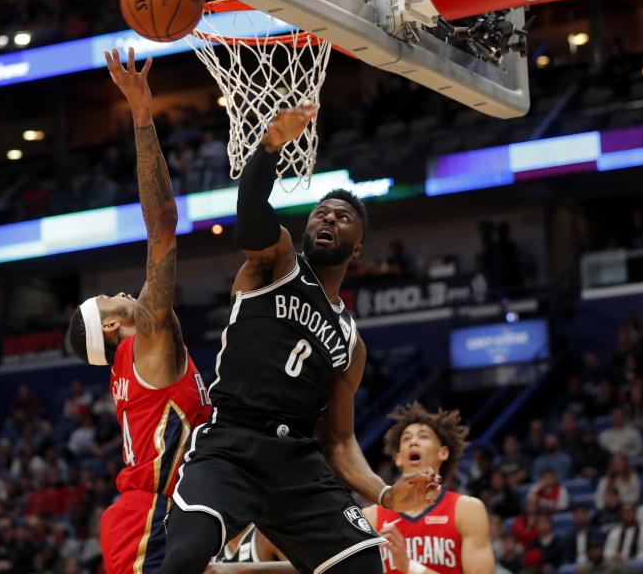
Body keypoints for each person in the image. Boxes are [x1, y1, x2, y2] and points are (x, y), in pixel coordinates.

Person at [158, 107, 439, 574]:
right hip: (231, 444)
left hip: (297, 464)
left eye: (343, 217)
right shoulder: (276, 263)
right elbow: (250, 210)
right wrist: (269, 147)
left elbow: (340, 441)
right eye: (321, 213)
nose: (329, 218)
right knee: (185, 558)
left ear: (358, 245)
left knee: (366, 566)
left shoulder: (352, 343)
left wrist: (386, 494)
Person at [66, 49, 213, 574]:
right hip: (151, 520)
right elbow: (163, 225)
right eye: (110, 300)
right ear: (110, 326)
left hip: (160, 513)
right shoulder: (145, 343)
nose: (122, 293)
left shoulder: (135, 363)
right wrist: (141, 115)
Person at [363, 403, 492, 574]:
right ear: (399, 458)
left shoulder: (466, 510)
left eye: (423, 437)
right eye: (406, 438)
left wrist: (410, 567)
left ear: (443, 453)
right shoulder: (371, 517)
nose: (413, 441)